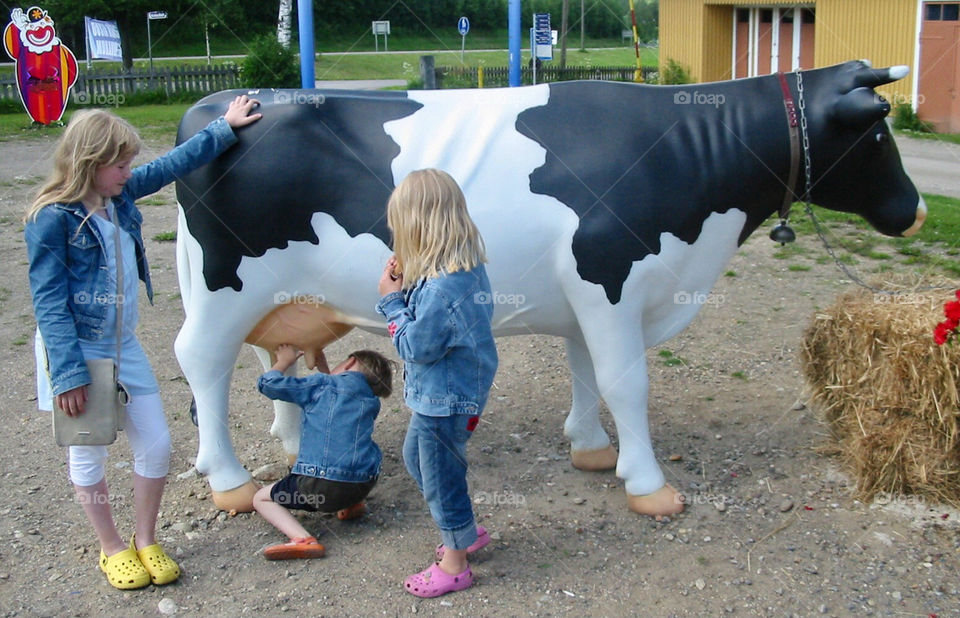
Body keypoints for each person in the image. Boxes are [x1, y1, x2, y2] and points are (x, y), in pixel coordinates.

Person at [24, 96, 262, 590]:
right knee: (89, 451)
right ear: (90, 164)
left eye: (129, 163)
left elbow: (170, 166)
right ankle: (112, 549)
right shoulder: (52, 219)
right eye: (120, 164)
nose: (129, 172)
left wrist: (224, 128)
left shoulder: (120, 196)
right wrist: (67, 374)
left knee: (156, 445)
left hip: (124, 346)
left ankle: (146, 539)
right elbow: (49, 304)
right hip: (78, 352)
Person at [376, 168, 498, 598]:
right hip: (451, 392)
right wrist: (408, 284)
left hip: (444, 399)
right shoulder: (460, 268)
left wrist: (391, 300)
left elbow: (415, 347)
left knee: (442, 475)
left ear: (418, 227)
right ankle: (462, 529)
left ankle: (455, 563)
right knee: (418, 459)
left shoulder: (444, 288)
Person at [253, 344, 394, 560]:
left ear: (350, 361)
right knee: (349, 456)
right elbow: (337, 403)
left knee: (261, 499)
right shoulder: (370, 401)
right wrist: (325, 369)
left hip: (319, 487)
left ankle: (302, 539)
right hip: (362, 484)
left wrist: (284, 361)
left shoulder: (322, 385)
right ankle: (350, 505)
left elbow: (268, 384)